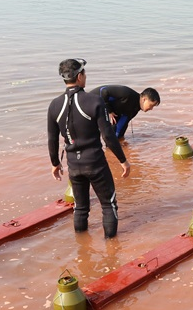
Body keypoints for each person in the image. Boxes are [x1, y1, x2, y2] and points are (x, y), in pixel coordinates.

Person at [47, 58, 131, 238]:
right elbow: (108, 136)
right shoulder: (94, 101)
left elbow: (52, 138)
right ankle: (111, 249)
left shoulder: (54, 105)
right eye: (84, 73)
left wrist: (55, 163)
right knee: (108, 205)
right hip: (95, 163)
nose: (86, 76)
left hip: (74, 166)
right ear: (79, 77)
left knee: (81, 207)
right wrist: (123, 161)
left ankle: (82, 247)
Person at [90, 85, 160, 139]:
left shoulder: (134, 110)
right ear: (144, 99)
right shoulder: (127, 94)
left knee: (116, 137)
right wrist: (109, 111)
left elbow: (120, 126)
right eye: (151, 105)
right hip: (90, 101)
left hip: (104, 109)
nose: (151, 109)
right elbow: (104, 91)